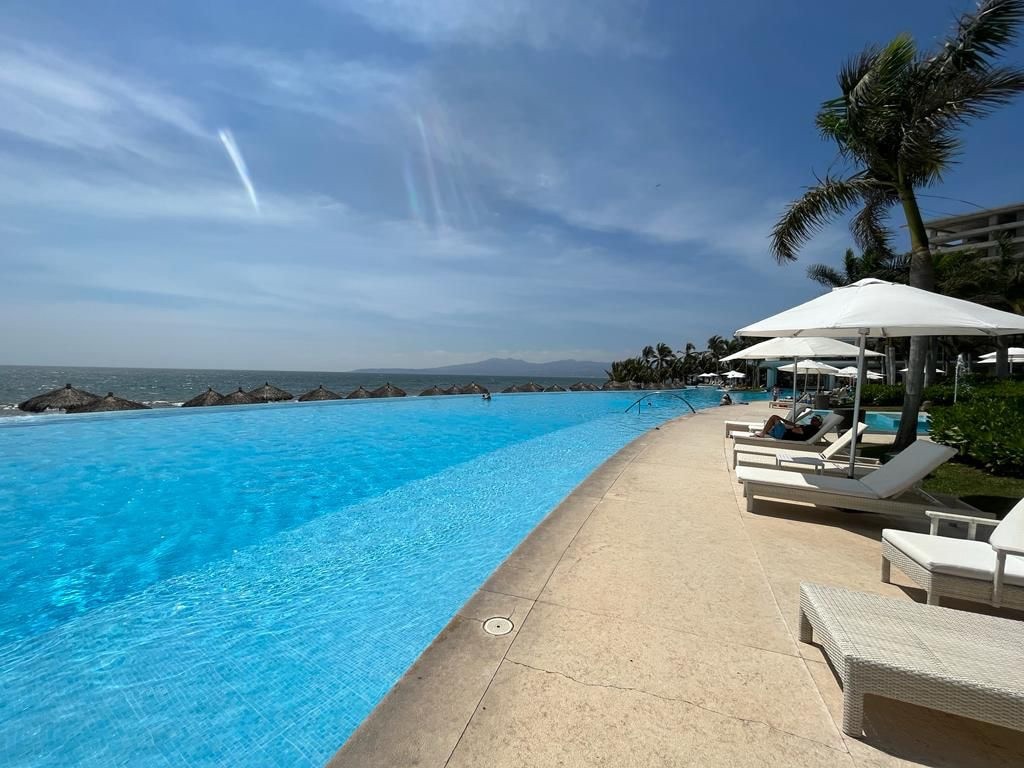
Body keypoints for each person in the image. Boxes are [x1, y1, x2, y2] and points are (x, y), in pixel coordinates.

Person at [756, 414, 822, 440]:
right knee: (774, 420)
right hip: (783, 433)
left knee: (774, 417)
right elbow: (795, 425)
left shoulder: (813, 428)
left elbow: (795, 430)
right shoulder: (809, 426)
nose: (812, 421)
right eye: (812, 420)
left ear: (819, 423)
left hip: (784, 435)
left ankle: (763, 433)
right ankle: (764, 432)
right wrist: (782, 419)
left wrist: (789, 427)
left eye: (814, 420)